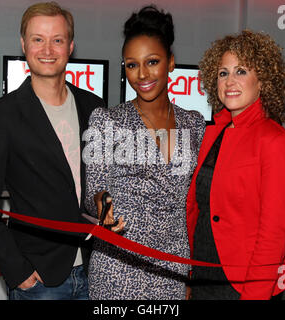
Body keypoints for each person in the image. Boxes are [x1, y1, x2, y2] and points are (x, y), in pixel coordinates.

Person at [0, 2, 105, 300]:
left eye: (57, 40)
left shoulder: (94, 107)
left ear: (70, 46)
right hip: (41, 279)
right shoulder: (3, 115)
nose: (48, 49)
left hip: (95, 268)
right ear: (23, 45)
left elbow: (104, 185)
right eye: (38, 39)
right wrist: (17, 271)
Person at [83, 5, 205, 300]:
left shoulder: (195, 123)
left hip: (173, 266)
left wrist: (189, 276)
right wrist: (104, 206)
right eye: (131, 64)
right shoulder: (107, 120)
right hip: (120, 265)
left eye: (152, 61)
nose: (142, 74)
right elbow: (93, 191)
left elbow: (196, 200)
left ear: (171, 62)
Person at [186, 30, 285, 300]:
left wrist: (254, 295)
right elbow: (201, 211)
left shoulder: (277, 142)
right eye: (223, 73)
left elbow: (273, 234)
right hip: (203, 274)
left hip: (244, 286)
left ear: (262, 81)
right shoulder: (214, 133)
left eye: (241, 71)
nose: (230, 81)